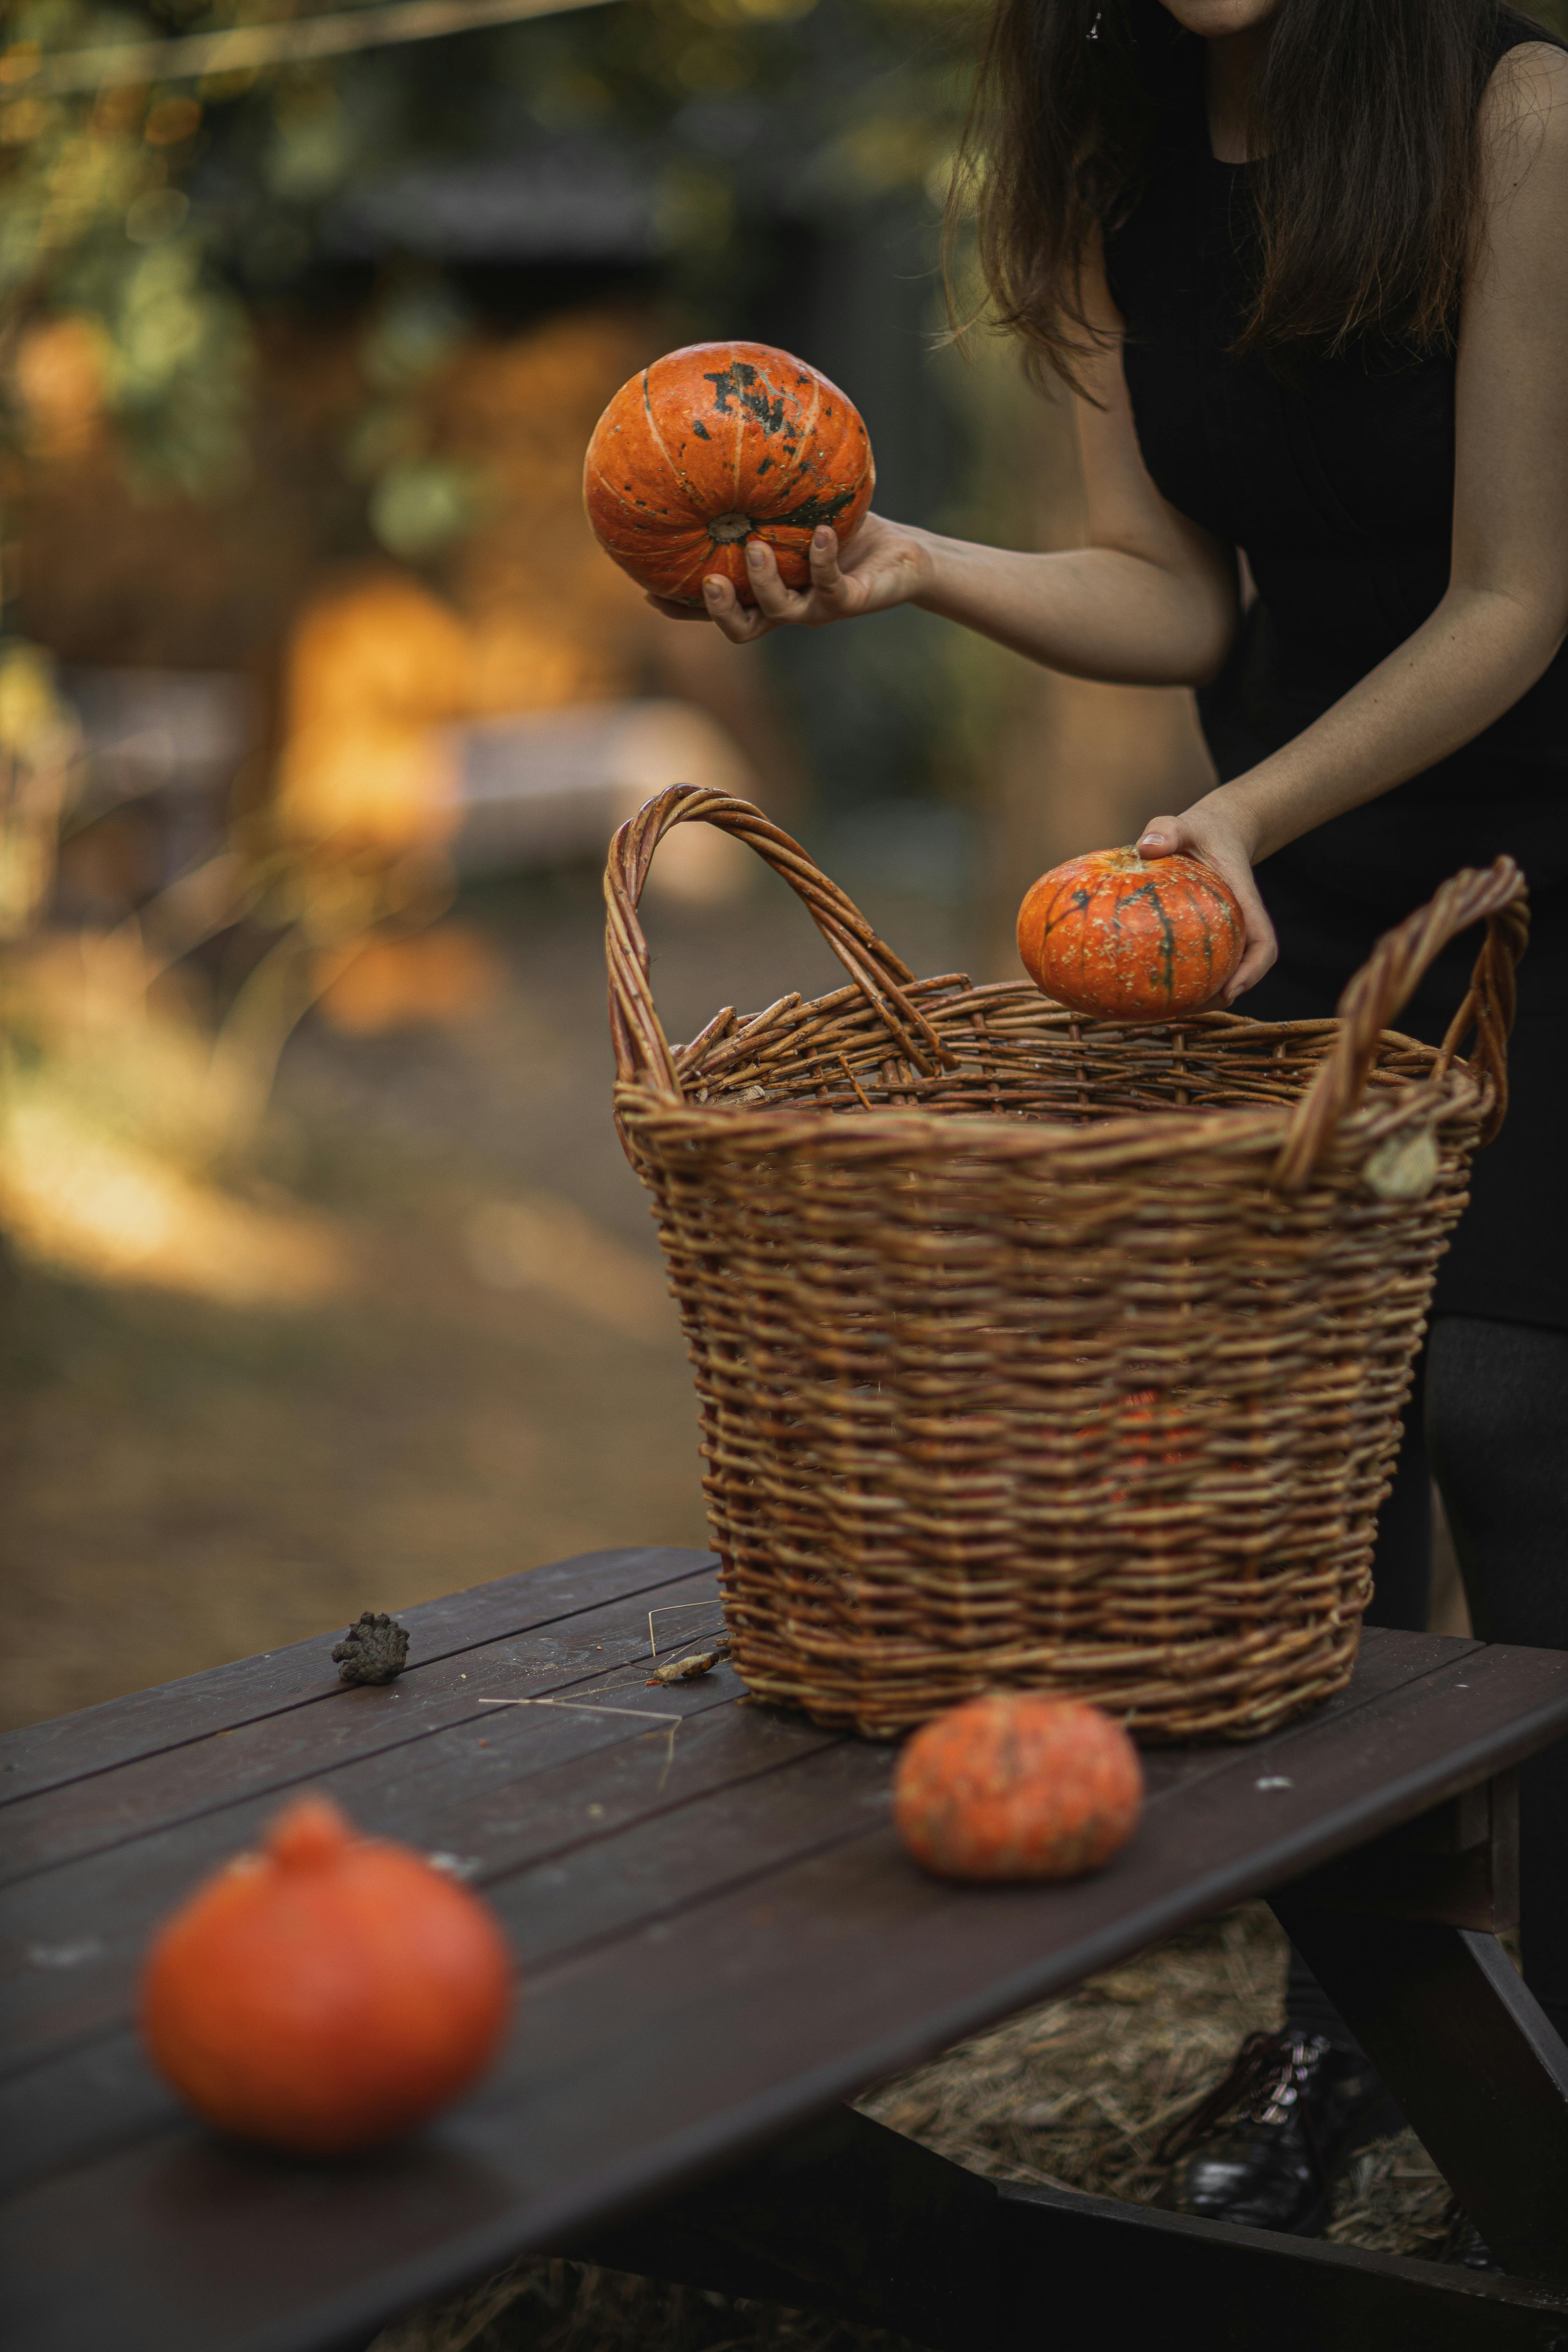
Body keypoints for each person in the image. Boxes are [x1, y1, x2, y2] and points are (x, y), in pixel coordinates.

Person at [652, 0, 1568, 2252]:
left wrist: (1229, 813)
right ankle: (1367, 2009)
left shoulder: (1522, 108)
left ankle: (1552, 2032)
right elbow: (1172, 586)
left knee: (1515, 1413)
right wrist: (921, 564)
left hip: (1530, 849)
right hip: (1283, 876)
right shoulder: (1108, 145)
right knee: (1306, 1463)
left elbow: (1520, 593)